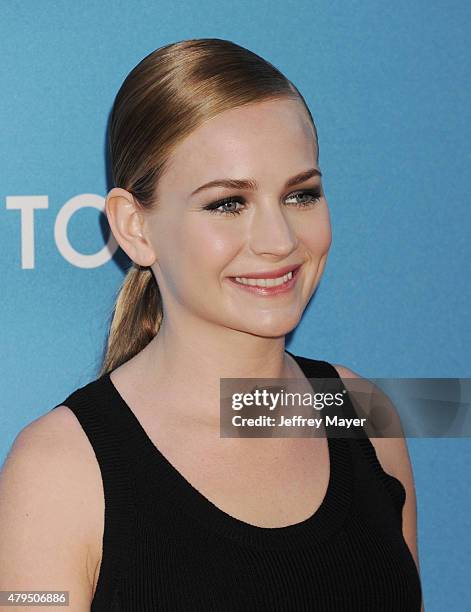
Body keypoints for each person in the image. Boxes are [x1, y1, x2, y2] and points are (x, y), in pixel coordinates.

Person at [0, 38, 423, 611]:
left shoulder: (363, 411)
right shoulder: (58, 470)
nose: (280, 241)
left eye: (301, 194)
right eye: (228, 203)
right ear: (135, 228)